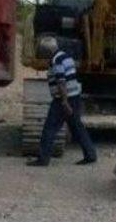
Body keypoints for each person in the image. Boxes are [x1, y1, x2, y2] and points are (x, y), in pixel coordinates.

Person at [26, 35, 97, 167]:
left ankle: (43, 159)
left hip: (62, 100)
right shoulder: (66, 56)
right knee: (77, 127)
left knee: (49, 128)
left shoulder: (56, 60)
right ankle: (90, 154)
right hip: (74, 96)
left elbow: (61, 81)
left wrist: (64, 101)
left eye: (43, 51)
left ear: (47, 51)